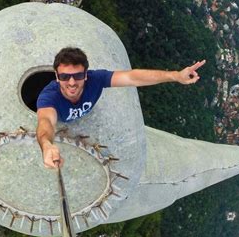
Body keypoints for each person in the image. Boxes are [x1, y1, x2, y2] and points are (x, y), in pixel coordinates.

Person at [36, 47, 206, 169]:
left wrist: (175, 76)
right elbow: (46, 121)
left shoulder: (96, 79)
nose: (72, 82)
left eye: (78, 75)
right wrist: (46, 144)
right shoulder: (49, 97)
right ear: (57, 77)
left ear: (86, 75)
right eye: (65, 76)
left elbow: (133, 77)